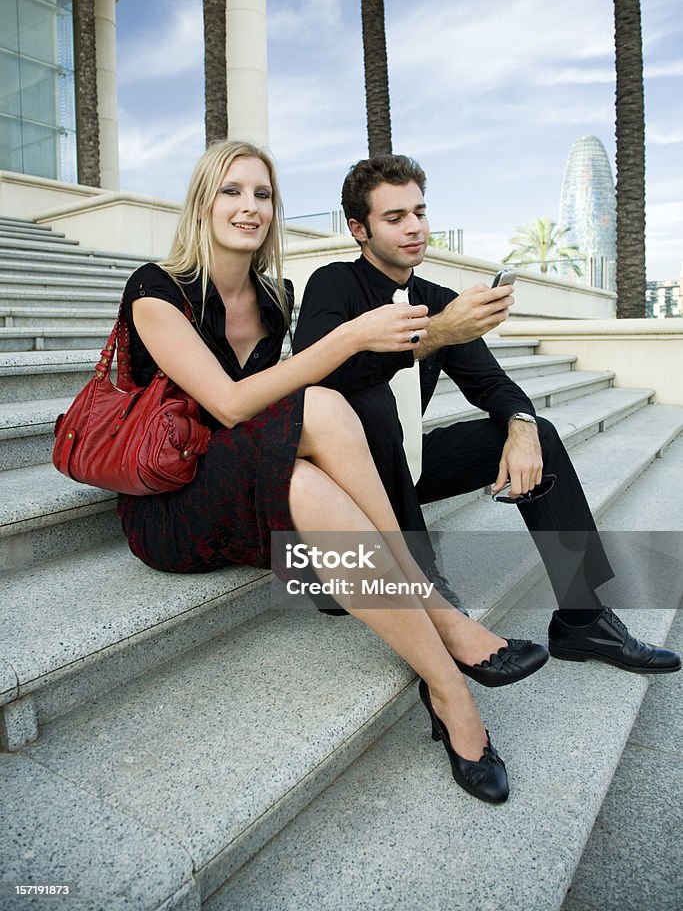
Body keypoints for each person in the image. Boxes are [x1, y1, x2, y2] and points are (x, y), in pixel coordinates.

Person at [115, 139, 549, 806]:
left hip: (245, 475)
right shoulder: (157, 289)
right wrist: (351, 337)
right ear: (202, 203)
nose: (249, 206)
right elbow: (228, 404)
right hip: (174, 500)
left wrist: (514, 418)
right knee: (321, 402)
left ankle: (452, 683)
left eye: (262, 194)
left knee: (313, 465)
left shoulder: (270, 297)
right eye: (231, 191)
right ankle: (449, 661)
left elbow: (267, 417)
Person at [293, 153, 681, 677]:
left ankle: (583, 619)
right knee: (369, 401)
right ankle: (431, 599)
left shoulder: (438, 300)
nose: (415, 227)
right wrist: (437, 335)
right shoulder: (333, 283)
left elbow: (494, 385)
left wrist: (520, 427)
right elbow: (319, 382)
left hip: (409, 468)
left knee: (536, 430)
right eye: (395, 217)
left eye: (420, 212)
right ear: (358, 228)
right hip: (342, 491)